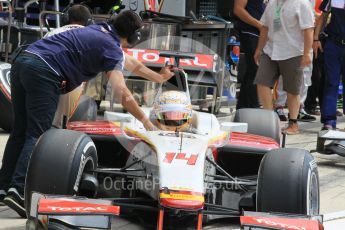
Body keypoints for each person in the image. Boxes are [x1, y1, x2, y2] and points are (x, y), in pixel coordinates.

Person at [0, 10, 173, 217]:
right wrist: (145, 120)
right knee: (37, 134)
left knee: (20, 131)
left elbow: (131, 64)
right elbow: (121, 92)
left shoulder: (99, 31)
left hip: (22, 62)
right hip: (44, 71)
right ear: (135, 37)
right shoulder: (111, 47)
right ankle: (18, 190)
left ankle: (3, 187)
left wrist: (159, 78)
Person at [254, 0, 314, 135]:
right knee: (262, 82)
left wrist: (306, 54)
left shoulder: (302, 4)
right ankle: (269, 120)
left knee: (292, 90)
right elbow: (265, 27)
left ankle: (293, 123)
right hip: (270, 50)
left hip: (293, 52)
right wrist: (259, 48)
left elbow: (308, 30)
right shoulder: (272, 3)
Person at [313, 0, 345, 130]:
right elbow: (323, 17)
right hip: (334, 45)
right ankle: (329, 121)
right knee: (331, 82)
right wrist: (316, 38)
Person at [234, 0, 265, 109]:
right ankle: (251, 106)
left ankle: (244, 106)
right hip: (250, 31)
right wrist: (258, 24)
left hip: (260, 32)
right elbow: (238, 9)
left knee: (254, 70)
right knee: (254, 69)